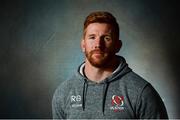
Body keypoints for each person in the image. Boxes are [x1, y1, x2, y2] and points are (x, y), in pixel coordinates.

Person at [52, 11, 168, 119]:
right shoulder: (63, 92)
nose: (98, 44)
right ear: (83, 45)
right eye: (92, 37)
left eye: (106, 38)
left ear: (118, 46)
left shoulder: (142, 92)